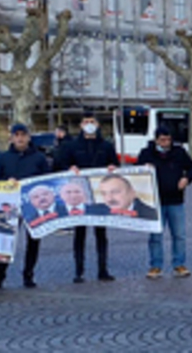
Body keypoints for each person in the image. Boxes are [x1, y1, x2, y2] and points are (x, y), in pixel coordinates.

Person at [54, 114, 119, 283]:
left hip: (100, 196)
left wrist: (113, 167)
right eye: (86, 122)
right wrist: (70, 167)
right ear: (81, 125)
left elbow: (115, 164)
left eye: (92, 122)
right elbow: (59, 164)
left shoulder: (106, 146)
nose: (89, 125)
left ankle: (103, 269)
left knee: (101, 234)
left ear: (97, 124)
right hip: (79, 195)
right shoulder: (71, 146)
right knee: (80, 235)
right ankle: (79, 271)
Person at [0, 123, 50, 289]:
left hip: (32, 206)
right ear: (12, 138)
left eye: (23, 135)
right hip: (10, 206)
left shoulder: (39, 158)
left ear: (29, 138)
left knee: (34, 240)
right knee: (5, 240)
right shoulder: (3, 158)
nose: (20, 138)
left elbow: (47, 181)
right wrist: (5, 183)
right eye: (17, 135)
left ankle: (29, 274)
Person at [137, 126, 192, 279]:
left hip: (176, 200)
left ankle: (179, 264)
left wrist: (187, 179)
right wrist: (143, 169)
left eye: (168, 139)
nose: (166, 143)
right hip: (155, 202)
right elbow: (135, 173)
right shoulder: (146, 153)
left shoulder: (179, 152)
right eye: (162, 140)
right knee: (156, 236)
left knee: (179, 235)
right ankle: (155, 266)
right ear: (156, 139)